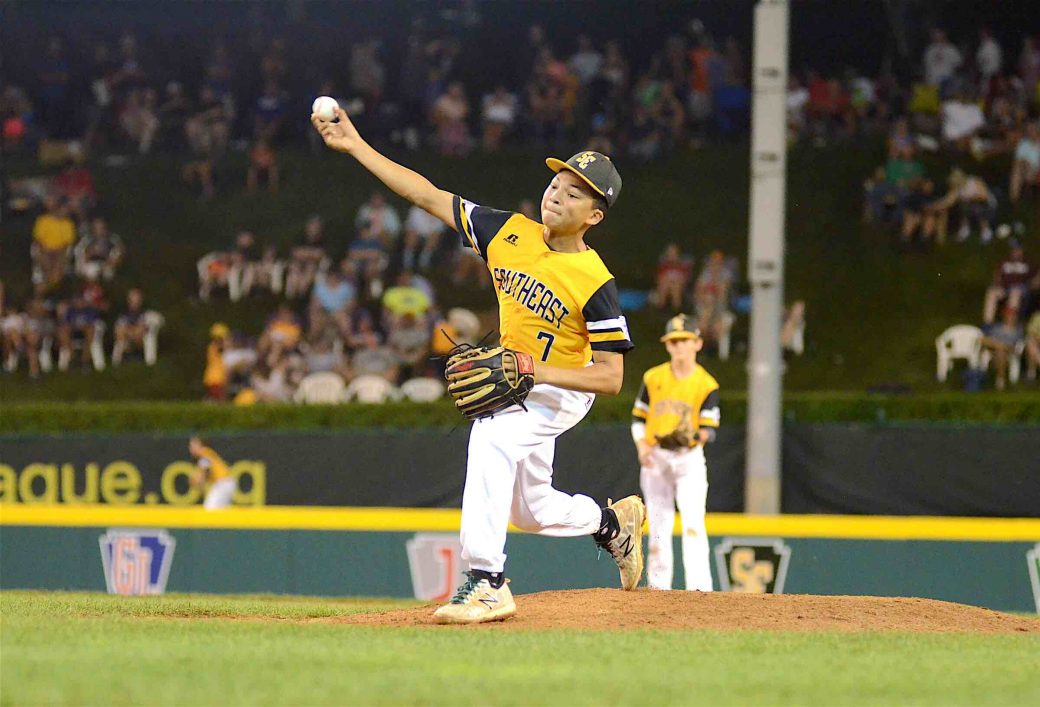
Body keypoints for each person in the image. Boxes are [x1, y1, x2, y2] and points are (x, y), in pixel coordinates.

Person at [313, 107, 644, 625]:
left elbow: (611, 377)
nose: (557, 195)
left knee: (490, 436)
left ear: (595, 215)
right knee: (530, 510)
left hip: (561, 387)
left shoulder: (594, 280)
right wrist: (355, 145)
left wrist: (535, 369)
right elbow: (425, 194)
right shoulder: (508, 233)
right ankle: (611, 523)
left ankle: (488, 581)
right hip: (516, 377)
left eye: (575, 192)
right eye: (556, 183)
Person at [631, 315, 719, 591]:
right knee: (658, 526)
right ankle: (658, 588)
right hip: (656, 457)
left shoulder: (706, 384)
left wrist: (693, 437)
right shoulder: (653, 377)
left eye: (684, 340)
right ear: (667, 346)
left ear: (698, 344)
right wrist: (642, 447)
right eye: (674, 341)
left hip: (687, 459)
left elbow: (708, 429)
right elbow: (638, 419)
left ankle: (700, 589)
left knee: (693, 523)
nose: (679, 346)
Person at [188, 436, 237, 510]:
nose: (190, 448)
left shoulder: (204, 452)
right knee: (222, 511)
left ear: (200, 445)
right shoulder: (207, 453)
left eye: (193, 445)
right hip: (228, 482)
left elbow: (201, 476)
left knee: (209, 509)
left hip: (223, 483)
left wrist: (195, 481)